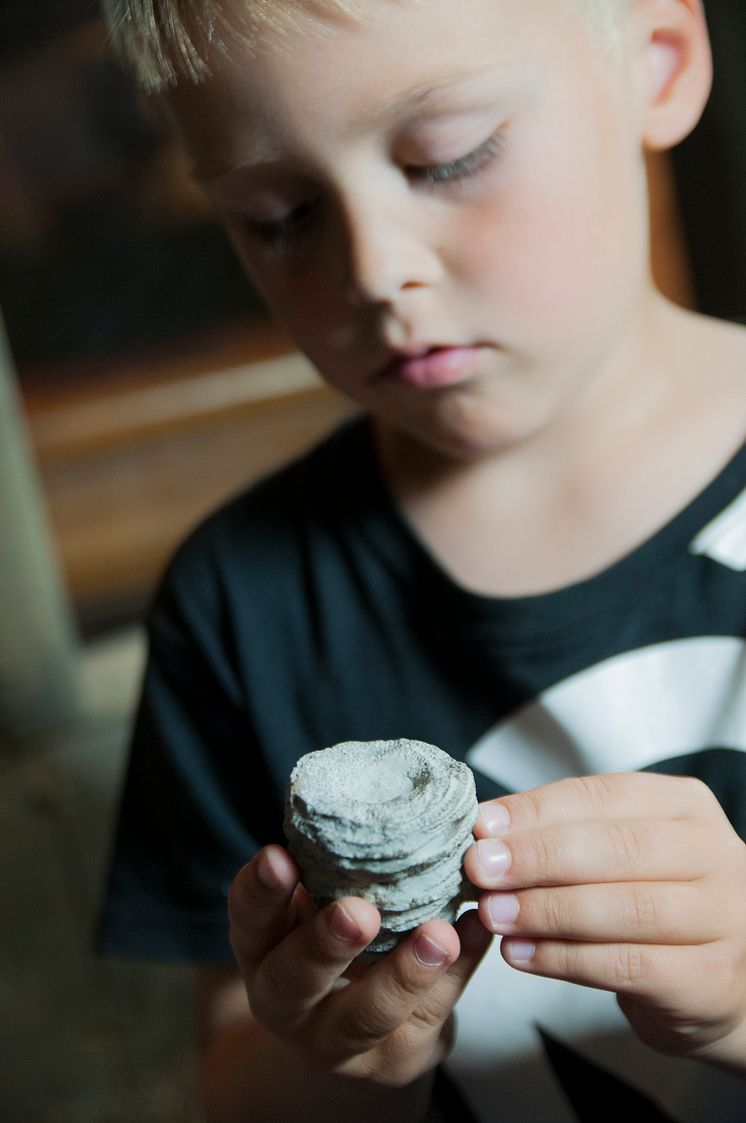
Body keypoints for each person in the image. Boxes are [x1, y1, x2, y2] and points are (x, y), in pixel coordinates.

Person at [97, 1, 746, 1120]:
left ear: (656, 64)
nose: (376, 270)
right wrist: (327, 1056)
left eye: (449, 157)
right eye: (281, 216)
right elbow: (234, 1073)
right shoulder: (237, 603)